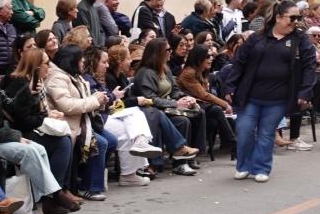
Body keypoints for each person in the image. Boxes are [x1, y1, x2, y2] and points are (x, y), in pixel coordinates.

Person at [0, 50, 75, 214]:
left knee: (39, 149)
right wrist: (15, 136)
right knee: (30, 151)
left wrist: (29, 93)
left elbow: (12, 106)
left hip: (3, 137)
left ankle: (48, 199)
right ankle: (55, 195)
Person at [224, 0, 315, 183]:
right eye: (293, 17)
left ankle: (261, 167)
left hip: (278, 98)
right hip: (250, 96)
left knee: (266, 133)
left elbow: (309, 66)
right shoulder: (257, 37)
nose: (296, 21)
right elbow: (239, 62)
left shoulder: (300, 39)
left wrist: (305, 92)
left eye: (299, 17)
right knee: (244, 130)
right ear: (279, 17)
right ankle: (244, 165)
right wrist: (230, 86)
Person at [1, 48, 77, 203]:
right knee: (62, 143)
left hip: (32, 127)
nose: (49, 67)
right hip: (20, 132)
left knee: (67, 138)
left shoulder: (37, 82)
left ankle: (59, 191)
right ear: (36, 66)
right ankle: (55, 195)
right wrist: (44, 117)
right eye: (46, 63)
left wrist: (48, 115)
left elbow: (37, 112)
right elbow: (22, 119)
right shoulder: (20, 83)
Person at [82, 45, 162, 186]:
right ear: (94, 62)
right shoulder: (89, 79)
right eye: (103, 62)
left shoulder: (97, 78)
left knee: (129, 130)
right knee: (133, 119)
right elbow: (97, 101)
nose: (107, 66)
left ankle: (130, 172)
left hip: (106, 115)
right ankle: (138, 148)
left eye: (107, 62)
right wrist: (114, 96)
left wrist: (113, 99)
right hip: (98, 119)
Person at [45, 44, 110, 200]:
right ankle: (88, 187)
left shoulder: (74, 76)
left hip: (81, 122)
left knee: (110, 141)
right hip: (67, 124)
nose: (83, 63)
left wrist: (99, 101)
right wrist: (94, 100)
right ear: (71, 61)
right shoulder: (57, 78)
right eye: (80, 60)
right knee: (100, 143)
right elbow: (67, 106)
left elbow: (83, 99)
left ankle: (83, 182)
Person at [133, 38, 203, 176]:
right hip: (151, 111)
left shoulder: (165, 68)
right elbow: (150, 99)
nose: (171, 52)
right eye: (168, 50)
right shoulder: (145, 73)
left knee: (184, 120)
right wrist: (176, 104)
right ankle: (172, 155)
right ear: (158, 53)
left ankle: (181, 162)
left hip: (166, 109)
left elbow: (174, 90)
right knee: (166, 120)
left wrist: (184, 98)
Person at [176, 44, 235, 152]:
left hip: (201, 105)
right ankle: (233, 143)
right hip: (189, 106)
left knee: (216, 117)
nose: (211, 59)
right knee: (217, 109)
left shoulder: (201, 72)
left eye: (212, 56)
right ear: (199, 58)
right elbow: (203, 95)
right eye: (208, 57)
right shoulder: (189, 73)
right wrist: (225, 104)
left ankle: (232, 143)